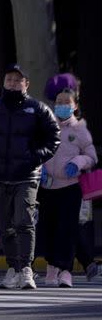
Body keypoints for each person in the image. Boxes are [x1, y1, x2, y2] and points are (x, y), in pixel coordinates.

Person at [0, 64, 60, 290]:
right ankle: (13, 268)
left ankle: (27, 269)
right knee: (3, 223)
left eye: (18, 80)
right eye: (9, 79)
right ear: (3, 82)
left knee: (24, 221)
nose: (13, 83)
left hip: (27, 176)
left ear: (26, 84)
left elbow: (54, 137)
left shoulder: (37, 108)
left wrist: (35, 157)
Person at [38, 88, 97, 287]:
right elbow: (37, 151)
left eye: (66, 102)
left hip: (71, 187)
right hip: (47, 187)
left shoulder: (80, 130)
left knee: (67, 229)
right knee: (48, 229)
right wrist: (41, 167)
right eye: (59, 101)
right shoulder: (46, 126)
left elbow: (92, 157)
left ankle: (66, 270)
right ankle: (52, 266)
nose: (62, 105)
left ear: (75, 106)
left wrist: (78, 162)